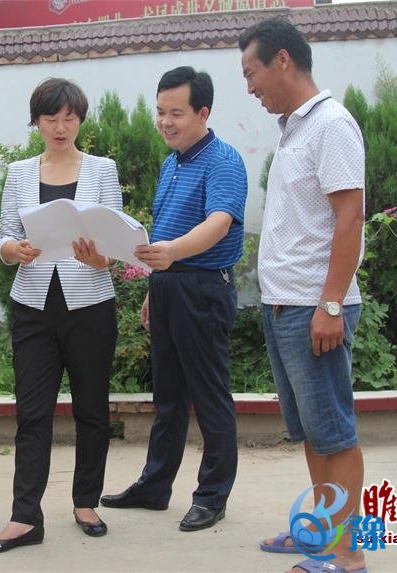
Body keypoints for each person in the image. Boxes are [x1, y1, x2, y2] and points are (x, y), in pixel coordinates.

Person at [239, 18, 367, 573]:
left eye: (252, 73)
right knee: (314, 433)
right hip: (285, 306)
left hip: (316, 307)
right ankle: (320, 532)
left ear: (283, 60)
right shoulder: (295, 128)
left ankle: (347, 554)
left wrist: (331, 303)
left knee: (334, 433)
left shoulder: (331, 124)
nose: (250, 87)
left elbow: (350, 217)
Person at [101, 66, 247, 533]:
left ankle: (211, 496)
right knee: (168, 396)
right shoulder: (173, 162)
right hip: (168, 286)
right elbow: (162, 229)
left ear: (203, 112)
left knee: (209, 396)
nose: (165, 122)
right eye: (160, 112)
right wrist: (154, 285)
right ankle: (154, 486)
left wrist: (172, 255)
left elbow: (218, 223)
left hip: (202, 287)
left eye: (176, 113)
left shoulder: (224, 160)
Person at [0, 78, 122, 554]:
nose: (60, 127)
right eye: (50, 118)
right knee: (32, 412)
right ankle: (25, 517)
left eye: (69, 118)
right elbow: (4, 236)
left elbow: (114, 240)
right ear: (36, 122)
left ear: (80, 120)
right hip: (34, 307)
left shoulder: (102, 170)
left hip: (90, 304)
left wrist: (102, 259)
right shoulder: (20, 172)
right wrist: (13, 250)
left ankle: (86, 502)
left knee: (91, 410)